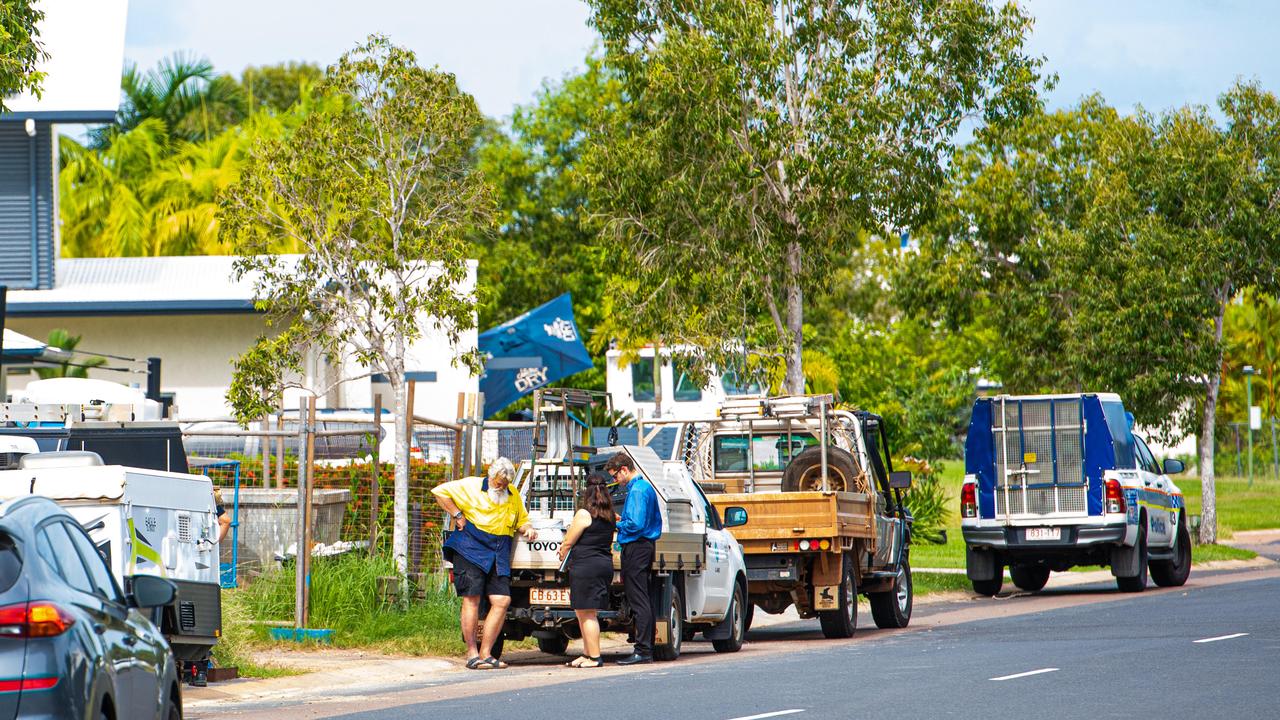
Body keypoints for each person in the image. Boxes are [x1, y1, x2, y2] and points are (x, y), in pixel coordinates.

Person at [432, 458, 537, 670]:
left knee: (502, 600)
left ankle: (486, 653)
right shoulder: (471, 485)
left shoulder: (512, 494)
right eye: (498, 483)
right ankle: (472, 653)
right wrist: (457, 515)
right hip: (470, 548)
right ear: (491, 477)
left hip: (499, 551)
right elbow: (439, 491)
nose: (501, 487)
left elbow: (521, 519)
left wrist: (528, 528)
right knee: (472, 599)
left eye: (505, 484)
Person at [607, 452, 662, 665]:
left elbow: (637, 525)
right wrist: (625, 519)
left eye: (615, 476)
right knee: (643, 598)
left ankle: (642, 650)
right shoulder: (643, 488)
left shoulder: (638, 491)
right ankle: (645, 648)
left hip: (637, 547)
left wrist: (616, 523)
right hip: (644, 546)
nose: (614, 481)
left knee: (638, 599)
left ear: (624, 470)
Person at [557, 473, 616, 668]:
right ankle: (587, 653)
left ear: (586, 491)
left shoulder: (584, 514)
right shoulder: (610, 515)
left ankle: (595, 657)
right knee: (583, 611)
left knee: (587, 613)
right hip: (602, 565)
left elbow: (569, 540)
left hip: (586, 566)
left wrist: (562, 550)